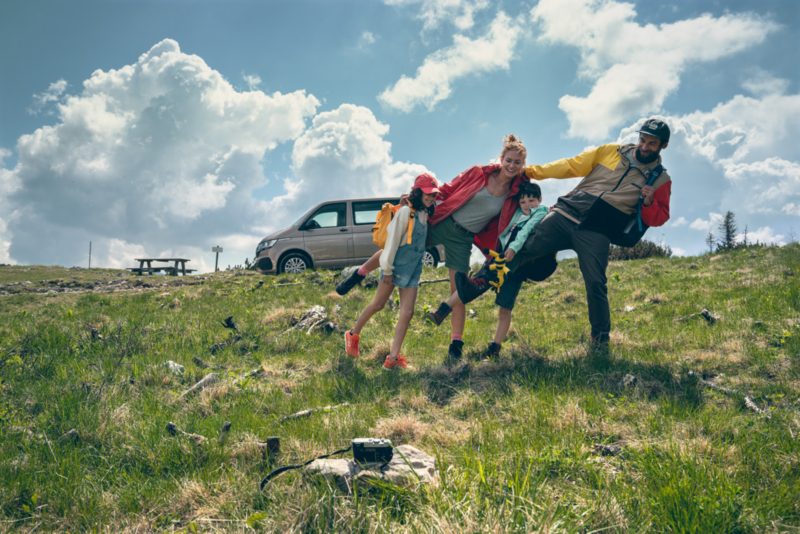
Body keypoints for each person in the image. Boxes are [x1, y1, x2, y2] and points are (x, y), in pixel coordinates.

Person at [454, 118, 673, 352]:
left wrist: (649, 201)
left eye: (652, 143)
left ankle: (600, 342)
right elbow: (571, 165)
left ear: (663, 146)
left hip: (598, 230)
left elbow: (660, 217)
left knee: (596, 282)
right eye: (643, 140)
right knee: (520, 246)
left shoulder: (660, 179)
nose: (645, 146)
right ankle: (477, 284)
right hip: (566, 213)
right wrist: (530, 172)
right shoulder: (611, 152)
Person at [337, 135, 530, 360]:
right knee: (403, 247)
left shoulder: (516, 191)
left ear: (523, 165)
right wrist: (415, 200)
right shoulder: (479, 172)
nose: (512, 166)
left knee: (459, 288)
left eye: (517, 162)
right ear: (501, 158)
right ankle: (358, 275)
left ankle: (455, 346)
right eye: (509, 160)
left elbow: (523, 211)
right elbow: (447, 189)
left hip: (463, 239)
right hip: (443, 219)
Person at [425, 181, 549, 358]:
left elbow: (525, 231)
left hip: (517, 264)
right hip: (500, 258)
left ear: (540, 200)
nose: (527, 205)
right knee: (473, 283)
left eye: (531, 200)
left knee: (504, 308)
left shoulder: (541, 212)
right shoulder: (518, 214)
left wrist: (513, 248)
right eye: (523, 202)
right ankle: (442, 311)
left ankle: (494, 348)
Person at [343, 174, 439, 370]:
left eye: (434, 194)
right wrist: (386, 270)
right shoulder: (405, 213)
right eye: (427, 194)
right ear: (418, 192)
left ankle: (392, 359)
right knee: (378, 305)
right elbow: (391, 243)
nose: (431, 197)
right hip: (393, 268)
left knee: (408, 312)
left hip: (413, 270)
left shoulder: (425, 213)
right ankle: (352, 335)